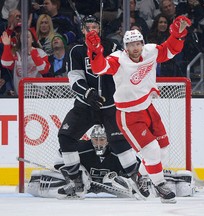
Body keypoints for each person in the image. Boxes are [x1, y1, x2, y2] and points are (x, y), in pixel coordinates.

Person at [86, 15, 191, 203]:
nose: (134, 48)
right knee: (151, 151)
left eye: (137, 44)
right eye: (130, 45)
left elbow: (169, 50)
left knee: (163, 150)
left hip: (148, 108)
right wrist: (94, 50)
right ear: (125, 47)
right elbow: (100, 68)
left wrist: (178, 34)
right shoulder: (119, 59)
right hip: (129, 115)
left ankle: (140, 178)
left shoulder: (150, 51)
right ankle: (160, 186)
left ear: (143, 44)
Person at [56, 15, 146, 200]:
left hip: (110, 105)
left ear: (99, 29)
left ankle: (137, 179)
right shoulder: (76, 50)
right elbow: (74, 78)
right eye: (87, 27)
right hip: (85, 105)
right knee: (65, 136)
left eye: (94, 26)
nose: (91, 30)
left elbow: (126, 69)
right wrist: (87, 92)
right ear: (82, 30)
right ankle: (76, 180)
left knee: (119, 142)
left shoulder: (112, 46)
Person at [27, 124, 139, 198]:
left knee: (124, 187)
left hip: (110, 186)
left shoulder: (117, 152)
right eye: (96, 139)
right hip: (82, 185)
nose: (98, 143)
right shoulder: (83, 147)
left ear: (108, 140)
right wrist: (78, 174)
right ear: (91, 139)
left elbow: (135, 165)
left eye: (102, 139)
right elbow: (60, 158)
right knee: (37, 185)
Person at [1, 27, 50, 95]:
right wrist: (6, 45)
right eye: (22, 37)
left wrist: (34, 53)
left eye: (28, 37)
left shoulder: (40, 52)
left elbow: (44, 70)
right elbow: (6, 64)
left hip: (39, 95)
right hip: (20, 95)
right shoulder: (16, 53)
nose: (25, 39)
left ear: (32, 39)